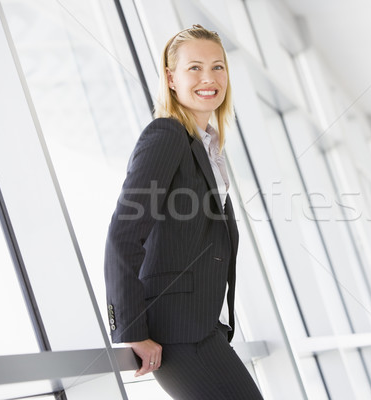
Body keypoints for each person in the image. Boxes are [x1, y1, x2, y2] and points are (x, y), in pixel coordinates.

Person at [104, 25, 264, 399]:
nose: (209, 78)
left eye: (218, 67)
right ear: (171, 79)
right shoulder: (166, 135)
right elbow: (123, 233)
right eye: (194, 68)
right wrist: (132, 330)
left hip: (203, 327)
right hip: (178, 334)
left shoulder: (208, 148)